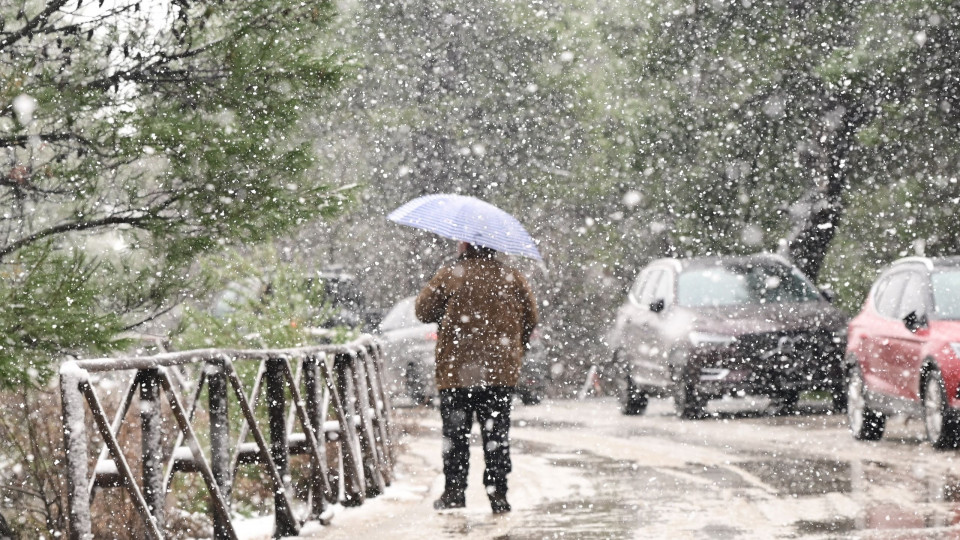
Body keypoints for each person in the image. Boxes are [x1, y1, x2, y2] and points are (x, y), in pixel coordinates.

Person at [415, 241, 538, 514]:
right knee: (496, 436)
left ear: (466, 244)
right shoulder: (511, 277)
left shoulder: (451, 275)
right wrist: (515, 349)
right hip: (499, 373)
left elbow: (422, 311)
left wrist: (446, 311)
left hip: (456, 373)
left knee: (456, 437)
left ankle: (455, 492)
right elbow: (531, 317)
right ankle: (498, 495)